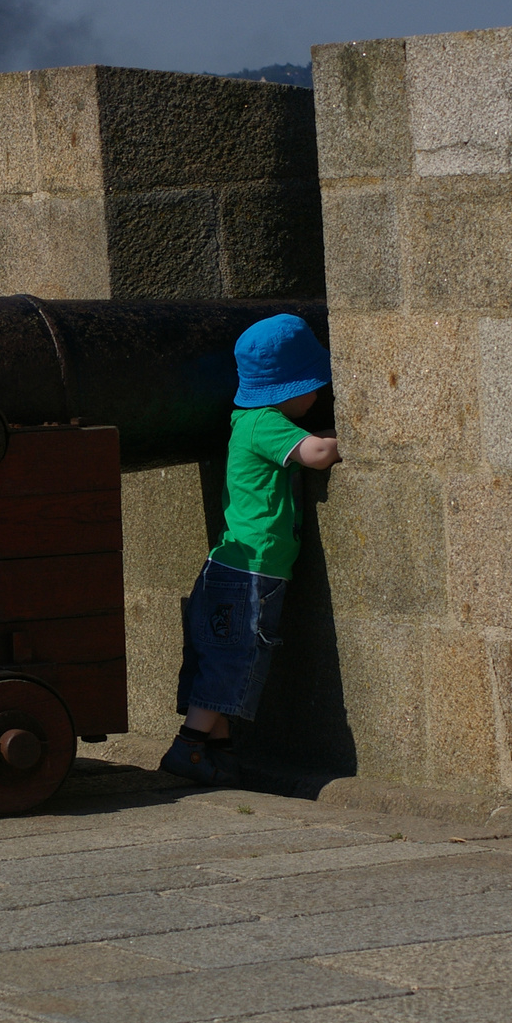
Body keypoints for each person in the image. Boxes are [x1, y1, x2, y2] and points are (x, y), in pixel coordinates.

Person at [160, 313, 340, 786]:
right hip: (252, 571)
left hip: (232, 565)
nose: (318, 395)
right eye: (312, 386)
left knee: (220, 656)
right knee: (233, 658)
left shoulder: (246, 418)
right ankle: (190, 748)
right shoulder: (265, 423)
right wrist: (355, 437)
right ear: (286, 388)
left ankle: (217, 753)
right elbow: (318, 456)